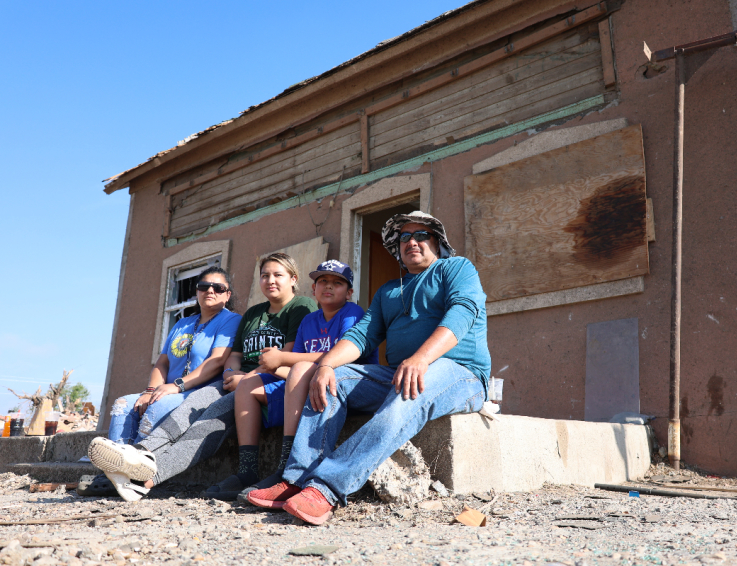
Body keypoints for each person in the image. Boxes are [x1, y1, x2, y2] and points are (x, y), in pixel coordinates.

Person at [245, 211, 491, 525]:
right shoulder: (388, 290)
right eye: (404, 237)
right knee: (335, 379)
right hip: (401, 370)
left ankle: (326, 488)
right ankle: (298, 479)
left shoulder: (456, 268)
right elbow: (361, 335)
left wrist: (421, 358)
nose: (411, 241)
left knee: (409, 388)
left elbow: (462, 311)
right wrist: (326, 365)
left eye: (421, 235)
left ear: (438, 242)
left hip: (461, 371)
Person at [87, 253, 316, 501]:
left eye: (278, 275)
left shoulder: (301, 307)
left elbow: (285, 356)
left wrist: (246, 378)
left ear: (293, 279)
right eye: (265, 275)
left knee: (207, 424)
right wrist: (231, 373)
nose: (270, 280)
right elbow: (234, 356)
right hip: (237, 381)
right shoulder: (253, 314)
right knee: (190, 408)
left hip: (270, 382)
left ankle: (145, 478)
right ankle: (140, 453)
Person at [209, 260, 378, 500]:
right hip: (308, 381)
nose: (328, 287)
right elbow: (293, 366)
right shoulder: (309, 320)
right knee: (248, 385)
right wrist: (271, 367)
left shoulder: (352, 313)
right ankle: (247, 471)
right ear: (313, 289)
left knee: (296, 369)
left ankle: (286, 468)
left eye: (337, 283)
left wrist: (281, 358)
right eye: (323, 282)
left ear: (349, 292)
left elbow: (342, 354)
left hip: (343, 382)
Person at [79, 267, 241, 497]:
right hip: (166, 389)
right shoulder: (182, 324)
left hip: (194, 392)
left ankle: (133, 473)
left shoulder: (231, 320)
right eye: (204, 286)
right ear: (197, 291)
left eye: (218, 288)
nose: (210, 291)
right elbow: (162, 363)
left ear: (228, 295)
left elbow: (217, 361)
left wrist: (177, 386)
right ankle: (113, 472)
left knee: (158, 406)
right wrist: (150, 390)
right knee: (124, 404)